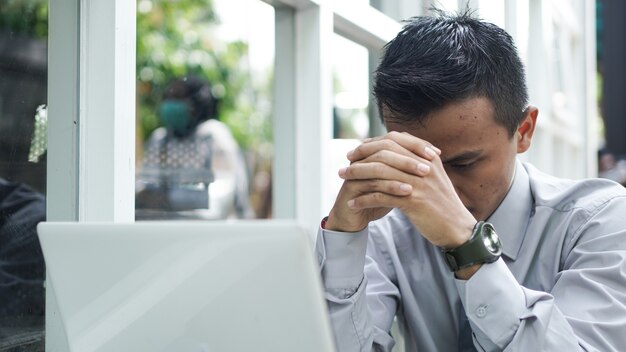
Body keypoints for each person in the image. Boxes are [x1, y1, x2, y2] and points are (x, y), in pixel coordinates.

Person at [316, 9, 626, 352]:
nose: (439, 187)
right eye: (417, 161)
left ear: (524, 131)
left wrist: (468, 246)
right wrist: (344, 237)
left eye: (463, 163)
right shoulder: (387, 232)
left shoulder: (601, 221)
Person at [136, 76, 253, 219]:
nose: (171, 104)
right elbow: (143, 190)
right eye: (169, 97)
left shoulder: (213, 137)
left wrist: (165, 198)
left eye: (178, 98)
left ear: (197, 104)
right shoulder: (160, 139)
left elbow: (221, 198)